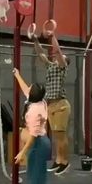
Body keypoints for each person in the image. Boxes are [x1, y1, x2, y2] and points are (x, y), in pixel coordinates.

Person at [13, 68, 53, 184]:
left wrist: (22, 152)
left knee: (38, 178)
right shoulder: (40, 101)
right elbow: (25, 89)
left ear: (33, 95)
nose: (28, 89)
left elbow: (32, 136)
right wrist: (17, 74)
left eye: (31, 89)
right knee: (32, 177)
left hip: (38, 144)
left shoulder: (33, 112)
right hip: (39, 143)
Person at [31, 22, 71, 175]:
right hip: (51, 105)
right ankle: (58, 160)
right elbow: (41, 54)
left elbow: (59, 52)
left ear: (65, 62)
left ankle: (65, 162)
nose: (59, 58)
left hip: (61, 104)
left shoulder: (62, 67)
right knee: (55, 135)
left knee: (61, 135)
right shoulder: (50, 66)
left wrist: (53, 36)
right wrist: (35, 40)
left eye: (62, 58)